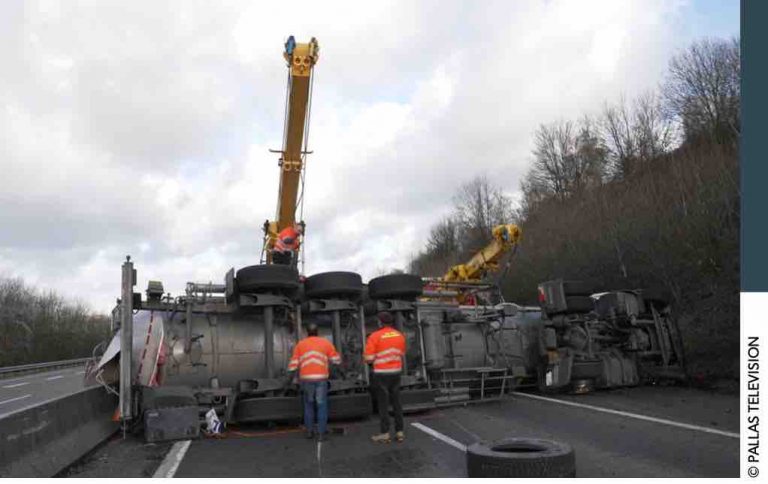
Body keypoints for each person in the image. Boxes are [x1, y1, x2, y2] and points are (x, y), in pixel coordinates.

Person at [286, 323, 341, 441]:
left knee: (308, 405)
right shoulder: (325, 343)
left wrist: (288, 379)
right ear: (318, 332)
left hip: (306, 379)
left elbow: (293, 364)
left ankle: (309, 432)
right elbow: (336, 360)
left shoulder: (301, 344)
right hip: (321, 378)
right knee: (321, 406)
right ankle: (321, 434)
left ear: (307, 332)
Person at [364, 311, 407, 443]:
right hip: (396, 372)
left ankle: (385, 433)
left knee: (383, 404)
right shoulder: (400, 335)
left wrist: (375, 357)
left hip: (382, 374)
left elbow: (368, 359)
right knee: (397, 402)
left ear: (379, 322)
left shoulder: (375, 336)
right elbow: (401, 352)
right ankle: (400, 431)